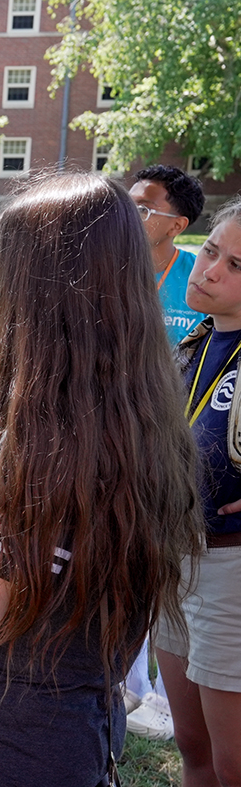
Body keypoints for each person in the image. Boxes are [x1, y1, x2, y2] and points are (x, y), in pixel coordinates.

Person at [0, 173, 200, 787]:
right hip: (75, 729)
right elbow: (26, 588)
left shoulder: (44, 441)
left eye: (7, 269)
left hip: (10, 745)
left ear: (51, 291)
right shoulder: (138, 411)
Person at [155, 194, 241, 787]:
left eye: (237, 266)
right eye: (212, 250)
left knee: (233, 761)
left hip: (230, 569)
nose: (209, 270)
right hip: (173, 559)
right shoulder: (195, 342)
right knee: (192, 744)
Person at [123, 164, 205, 740]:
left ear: (175, 225)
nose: (130, 211)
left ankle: (171, 688)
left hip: (178, 453)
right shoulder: (106, 265)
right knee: (119, 560)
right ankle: (128, 685)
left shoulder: (199, 280)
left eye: (145, 206)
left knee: (165, 568)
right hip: (112, 442)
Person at [130, 164, 205, 346]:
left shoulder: (202, 279)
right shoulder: (101, 268)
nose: (127, 216)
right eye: (126, 206)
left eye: (142, 210)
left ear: (177, 226)